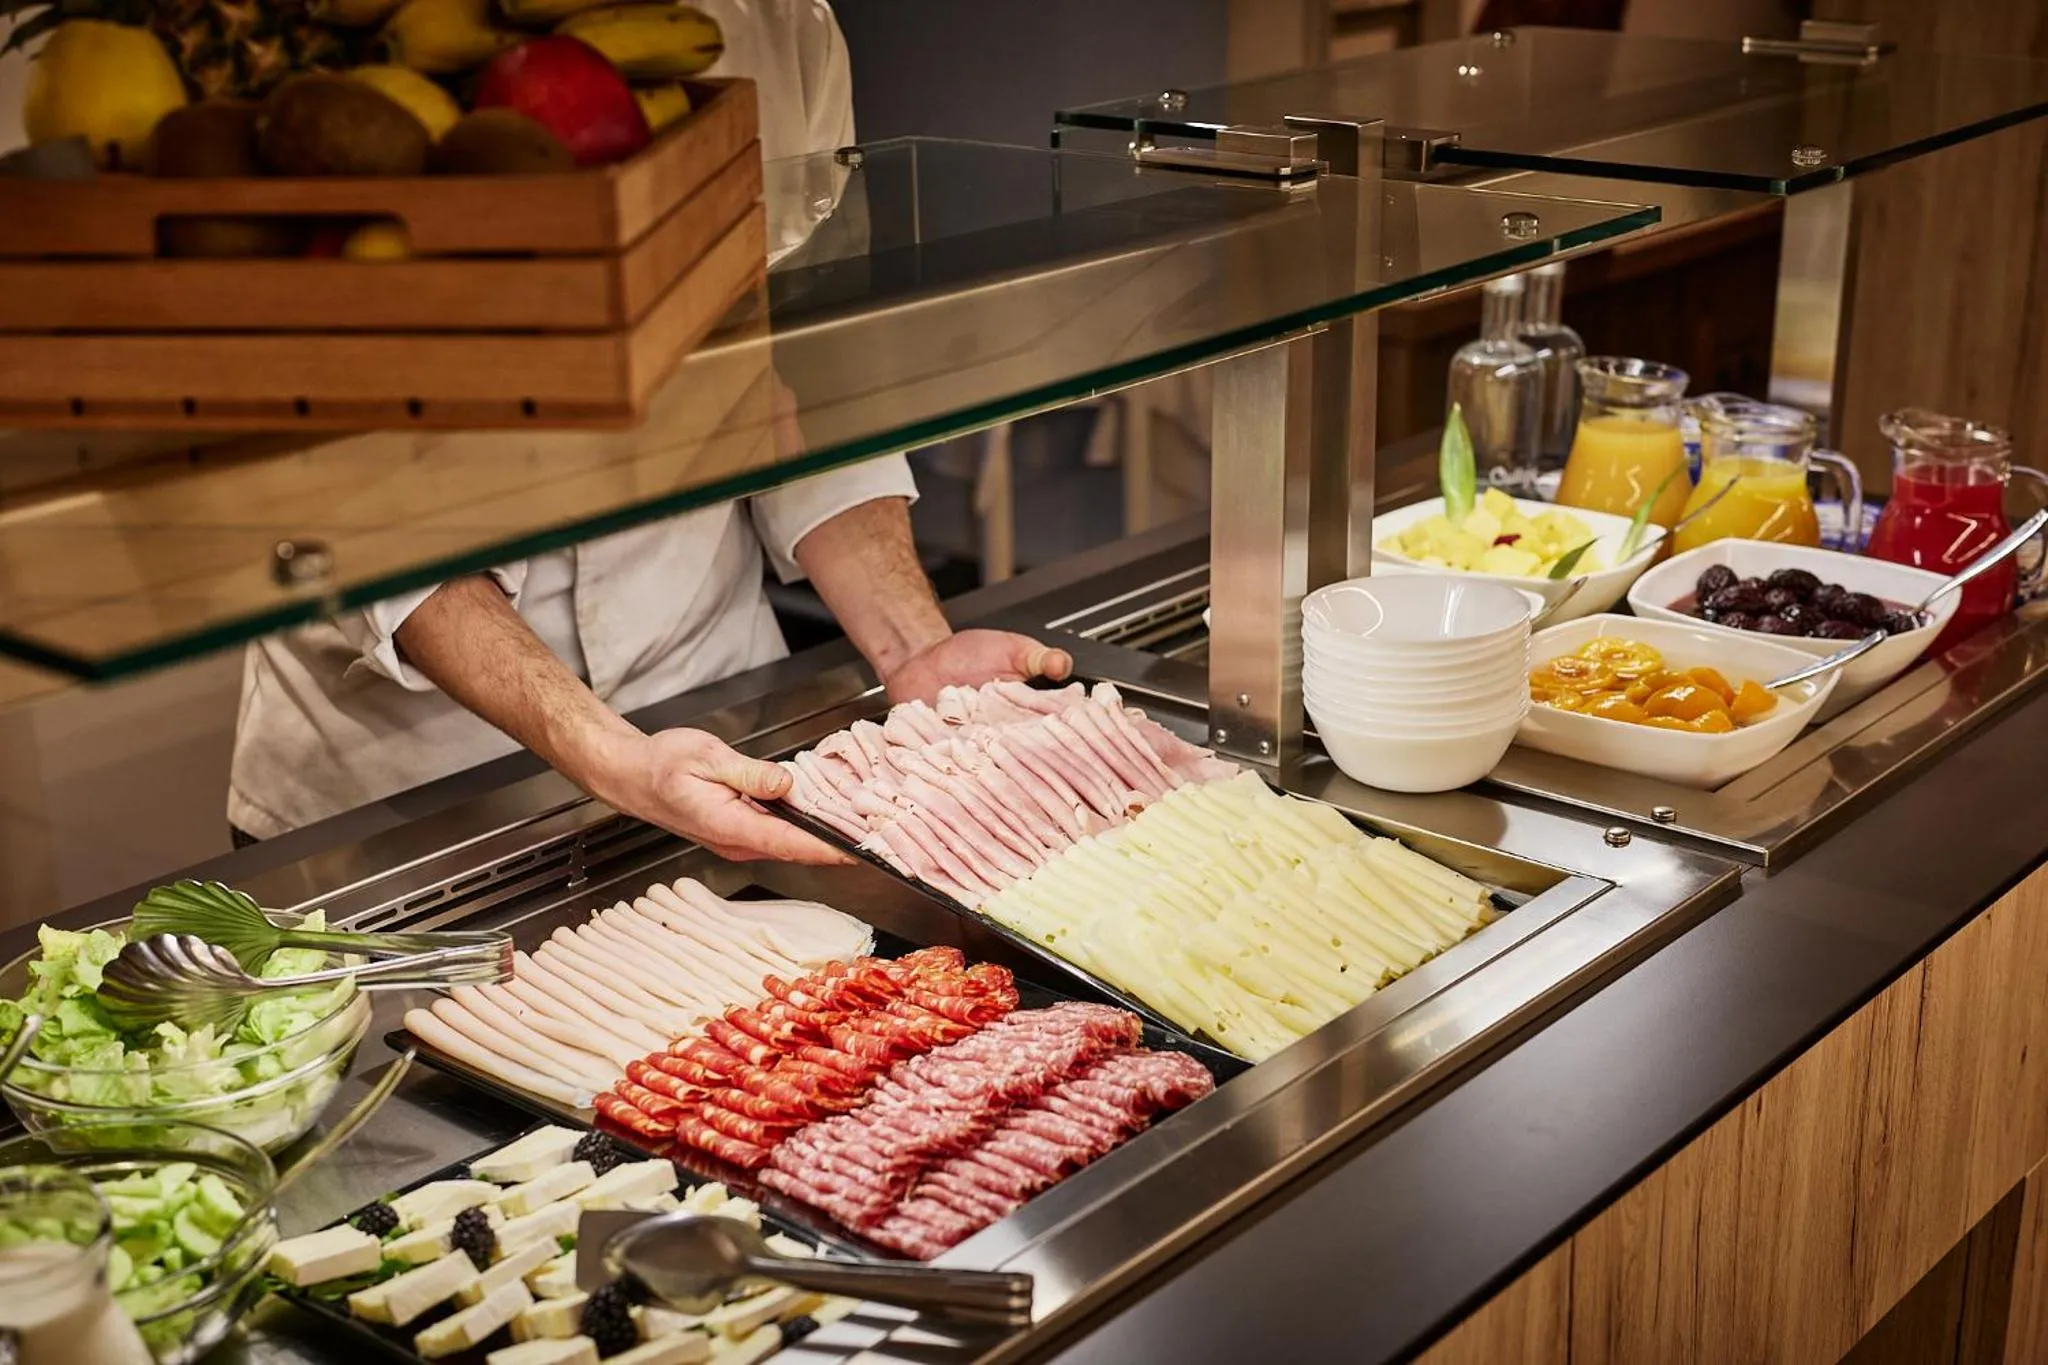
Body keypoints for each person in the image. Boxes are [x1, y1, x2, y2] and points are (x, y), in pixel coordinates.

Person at [226, 0, 1069, 862]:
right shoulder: (362, 52)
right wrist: (612, 755)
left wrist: (916, 650)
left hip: (723, 716)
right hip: (416, 786)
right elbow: (367, 508)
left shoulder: (787, 28)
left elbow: (809, 380)